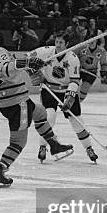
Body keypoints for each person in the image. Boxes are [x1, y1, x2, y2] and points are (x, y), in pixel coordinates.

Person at [0, 31, 74, 187]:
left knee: (40, 112)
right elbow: (8, 69)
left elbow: (9, 69)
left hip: (10, 102)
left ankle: (54, 144)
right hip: (17, 102)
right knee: (18, 141)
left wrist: (27, 64)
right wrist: (27, 63)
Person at [29, 31, 98, 163]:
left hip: (67, 90)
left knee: (77, 121)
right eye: (56, 42)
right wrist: (34, 72)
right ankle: (43, 147)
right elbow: (28, 57)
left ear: (67, 44)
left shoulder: (73, 58)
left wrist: (70, 99)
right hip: (49, 89)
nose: (58, 45)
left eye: (61, 43)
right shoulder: (46, 51)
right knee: (49, 117)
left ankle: (89, 148)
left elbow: (75, 81)